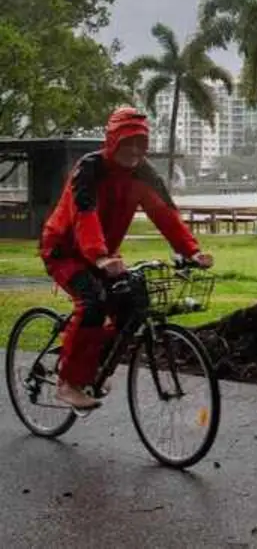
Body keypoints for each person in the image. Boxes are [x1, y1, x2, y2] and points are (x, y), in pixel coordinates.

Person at [38, 107, 214, 410]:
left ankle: (94, 367)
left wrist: (191, 251)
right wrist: (100, 256)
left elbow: (165, 213)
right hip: (64, 251)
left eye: (140, 144)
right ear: (112, 141)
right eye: (127, 142)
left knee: (132, 305)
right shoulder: (89, 169)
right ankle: (68, 382)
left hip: (104, 255)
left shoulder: (143, 174)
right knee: (92, 303)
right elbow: (85, 214)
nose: (134, 150)